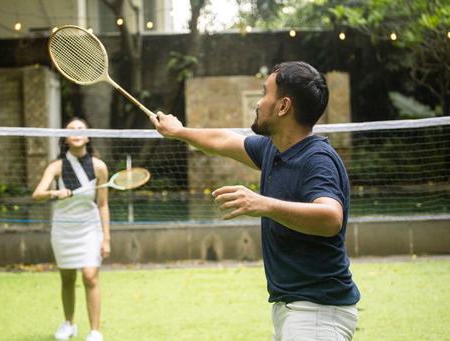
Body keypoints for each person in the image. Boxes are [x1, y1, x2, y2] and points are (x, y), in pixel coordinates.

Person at [150, 61, 360, 340]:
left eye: (265, 93)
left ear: (283, 106)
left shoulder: (316, 159)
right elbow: (223, 141)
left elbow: (331, 217)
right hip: (295, 307)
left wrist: (263, 204)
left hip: (317, 311)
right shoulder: (274, 149)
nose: (258, 103)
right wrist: (179, 132)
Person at [32, 117, 110, 341]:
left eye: (80, 129)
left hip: (89, 226)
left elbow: (103, 205)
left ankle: (95, 331)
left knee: (90, 276)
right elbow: (37, 194)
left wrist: (106, 239)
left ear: (88, 136)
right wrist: (54, 193)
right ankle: (69, 324)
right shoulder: (56, 166)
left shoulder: (99, 167)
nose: (76, 132)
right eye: (71, 129)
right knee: (67, 279)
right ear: (65, 138)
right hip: (63, 228)